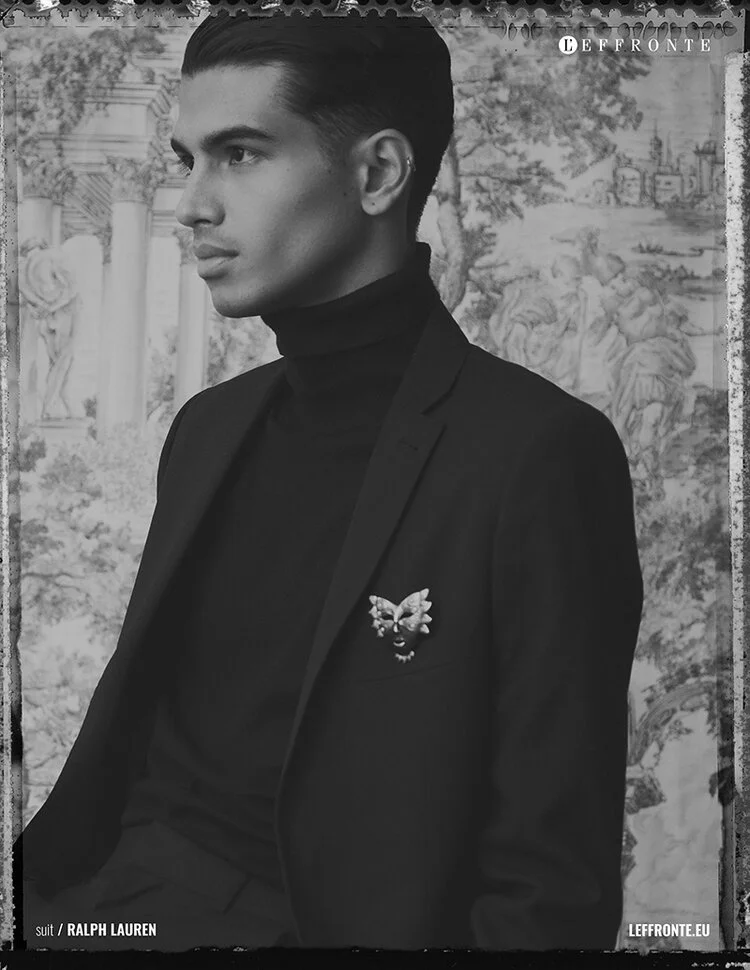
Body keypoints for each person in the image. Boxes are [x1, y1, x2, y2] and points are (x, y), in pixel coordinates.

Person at [16, 9, 644, 951]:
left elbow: (550, 891)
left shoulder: (539, 453)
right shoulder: (209, 428)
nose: (191, 205)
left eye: (240, 154)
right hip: (92, 896)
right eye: (188, 160)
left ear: (378, 173)